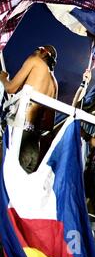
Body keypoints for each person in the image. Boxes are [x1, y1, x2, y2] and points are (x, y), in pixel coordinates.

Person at [0, 45, 58, 173]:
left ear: (44, 52)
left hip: (18, 136)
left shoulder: (35, 60)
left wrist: (3, 78)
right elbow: (49, 125)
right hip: (34, 145)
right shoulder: (54, 84)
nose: (35, 51)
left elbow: (10, 88)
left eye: (38, 48)